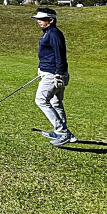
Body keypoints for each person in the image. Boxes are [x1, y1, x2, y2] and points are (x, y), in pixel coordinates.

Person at [31, 8, 75, 146]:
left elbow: (60, 54)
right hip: (48, 71)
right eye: (38, 19)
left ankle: (62, 132)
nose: (39, 22)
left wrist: (59, 74)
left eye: (42, 19)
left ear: (51, 20)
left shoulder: (54, 34)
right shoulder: (47, 33)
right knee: (56, 102)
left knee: (41, 100)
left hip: (54, 73)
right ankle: (64, 132)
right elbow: (46, 53)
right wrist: (40, 67)